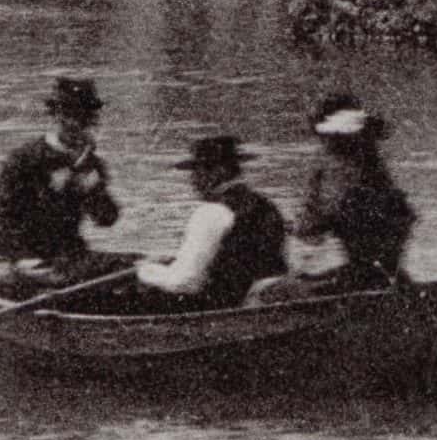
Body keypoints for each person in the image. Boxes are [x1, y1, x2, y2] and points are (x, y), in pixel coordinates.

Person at [88, 133, 291, 313]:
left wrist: (145, 271)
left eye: (197, 171)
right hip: (257, 301)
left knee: (106, 299)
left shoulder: (210, 213)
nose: (192, 181)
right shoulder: (269, 206)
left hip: (216, 307)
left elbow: (184, 282)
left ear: (217, 172)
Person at [0, 76, 125, 292]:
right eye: (68, 114)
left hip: (69, 258)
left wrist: (91, 185)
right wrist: (22, 260)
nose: (75, 123)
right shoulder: (25, 159)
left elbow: (106, 219)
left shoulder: (91, 164)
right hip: (26, 258)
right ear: (56, 115)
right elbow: (0, 223)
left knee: (129, 269)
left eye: (83, 117)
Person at [278, 96, 416, 291]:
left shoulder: (335, 170)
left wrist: (291, 227)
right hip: (387, 274)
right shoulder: (374, 170)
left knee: (282, 290)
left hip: (363, 275)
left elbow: (313, 227)